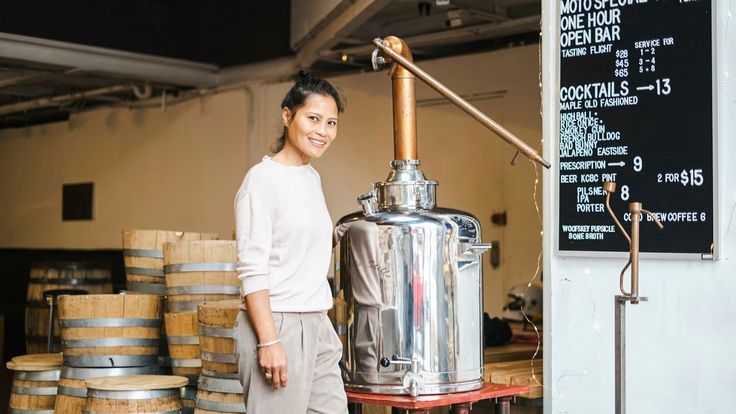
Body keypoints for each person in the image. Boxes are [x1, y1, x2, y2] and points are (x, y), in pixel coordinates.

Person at [233, 70, 348, 414]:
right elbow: (252, 269)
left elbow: (296, 248)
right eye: (313, 118)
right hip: (277, 322)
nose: (323, 131)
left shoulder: (311, 178)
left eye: (331, 123)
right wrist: (269, 341)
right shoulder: (262, 180)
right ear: (287, 115)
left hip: (317, 320)